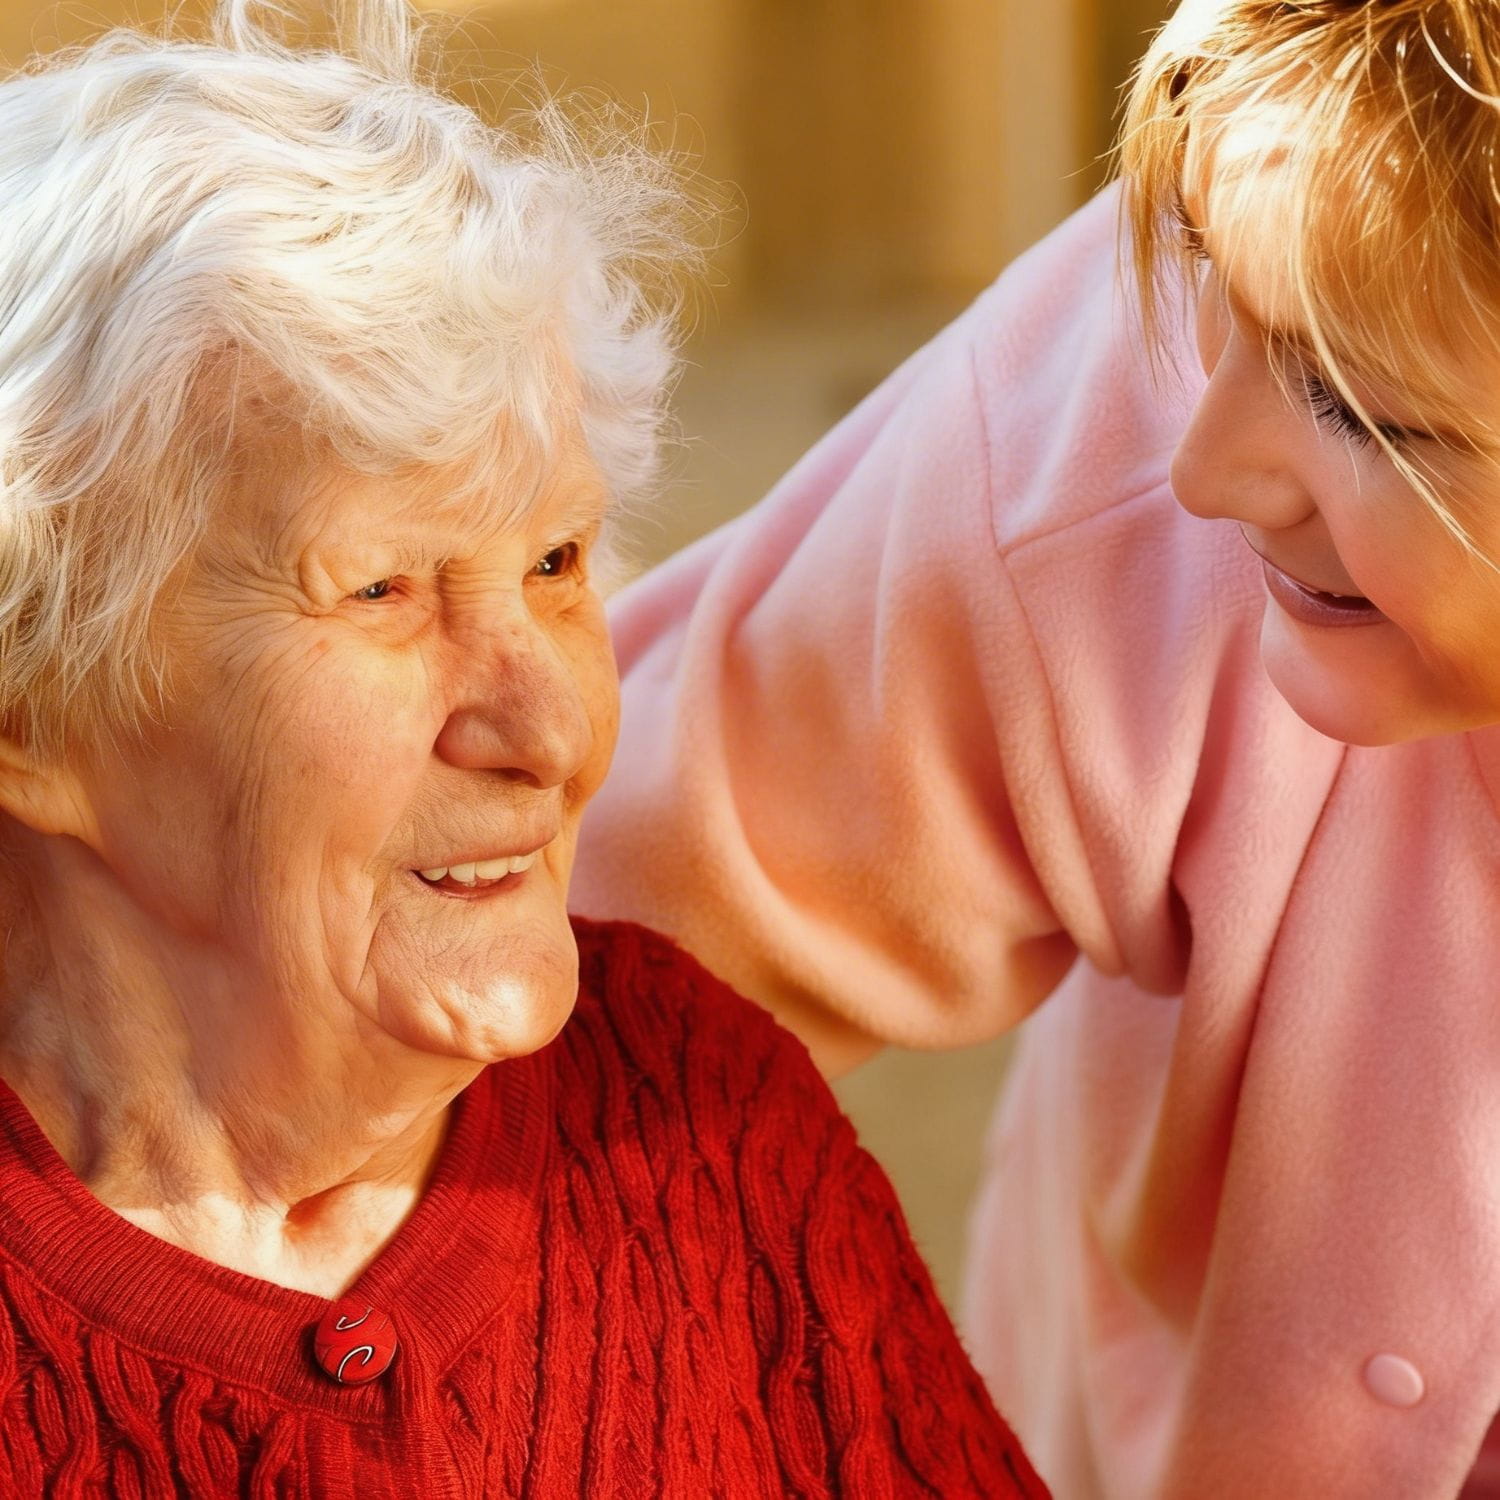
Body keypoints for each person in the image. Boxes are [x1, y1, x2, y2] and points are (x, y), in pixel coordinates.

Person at [0, 1, 1050, 1494]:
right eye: (382, 590)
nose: (550, 728)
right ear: (31, 705)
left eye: (556, 564)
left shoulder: (698, 1117)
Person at [570, 0, 1500, 1495]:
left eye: (1361, 412)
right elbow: (591, 967)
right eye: (1202, 267)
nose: (1203, 468)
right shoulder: (1102, 454)